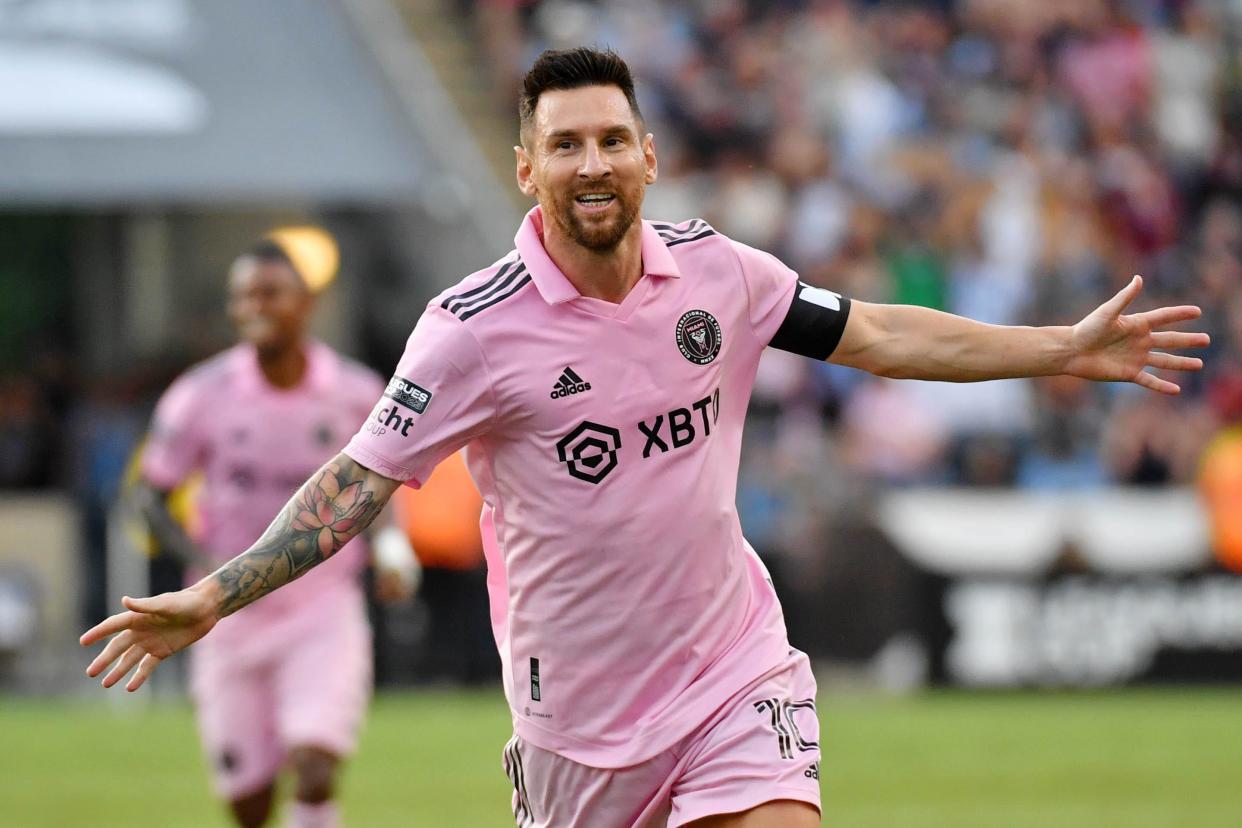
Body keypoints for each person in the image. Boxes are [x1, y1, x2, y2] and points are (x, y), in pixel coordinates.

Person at [83, 49, 1209, 828]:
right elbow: (355, 481)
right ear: (527, 168)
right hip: (576, 718)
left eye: (612, 139)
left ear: (649, 154)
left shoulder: (719, 271)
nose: (592, 164)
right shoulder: (469, 332)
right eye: (565, 144)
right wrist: (214, 594)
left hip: (733, 670)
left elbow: (874, 334)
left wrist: (1059, 347)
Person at [127, 240, 416, 828]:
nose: (255, 306)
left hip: (321, 611)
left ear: (305, 303)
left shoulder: (356, 391)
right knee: (249, 802)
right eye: (244, 296)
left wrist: (390, 546)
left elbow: (374, 485)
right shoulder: (199, 395)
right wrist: (203, 560)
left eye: (270, 293)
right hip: (227, 616)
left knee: (316, 767)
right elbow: (150, 497)